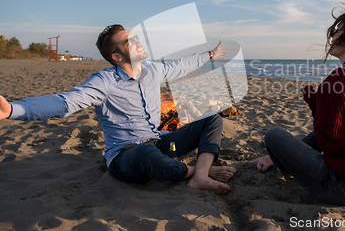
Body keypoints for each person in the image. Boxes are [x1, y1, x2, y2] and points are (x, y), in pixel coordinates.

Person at [0, 24, 236, 194]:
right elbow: (65, 102)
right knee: (145, 153)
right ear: (117, 55)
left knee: (212, 119)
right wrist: (13, 109)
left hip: (164, 145)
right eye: (129, 42)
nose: (137, 41)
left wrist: (209, 55)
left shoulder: (152, 71)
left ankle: (201, 174)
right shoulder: (104, 82)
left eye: (134, 37)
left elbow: (180, 66)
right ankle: (193, 171)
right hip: (127, 158)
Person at [249, 3, 345, 205]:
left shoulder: (337, 82)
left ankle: (276, 160)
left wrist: (318, 108)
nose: (332, 37)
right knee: (334, 130)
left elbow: (332, 146)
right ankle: (272, 160)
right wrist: (324, 106)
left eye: (336, 31)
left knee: (274, 135)